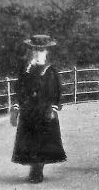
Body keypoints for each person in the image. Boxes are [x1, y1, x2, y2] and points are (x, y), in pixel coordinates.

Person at [11, 35, 67, 184]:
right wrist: (16, 107)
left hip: (44, 111)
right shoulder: (25, 69)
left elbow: (57, 91)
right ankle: (34, 169)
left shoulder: (51, 70)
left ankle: (37, 171)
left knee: (42, 142)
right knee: (29, 142)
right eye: (35, 50)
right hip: (29, 111)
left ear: (46, 51)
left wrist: (53, 109)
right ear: (32, 50)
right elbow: (20, 89)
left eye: (41, 50)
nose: (38, 53)